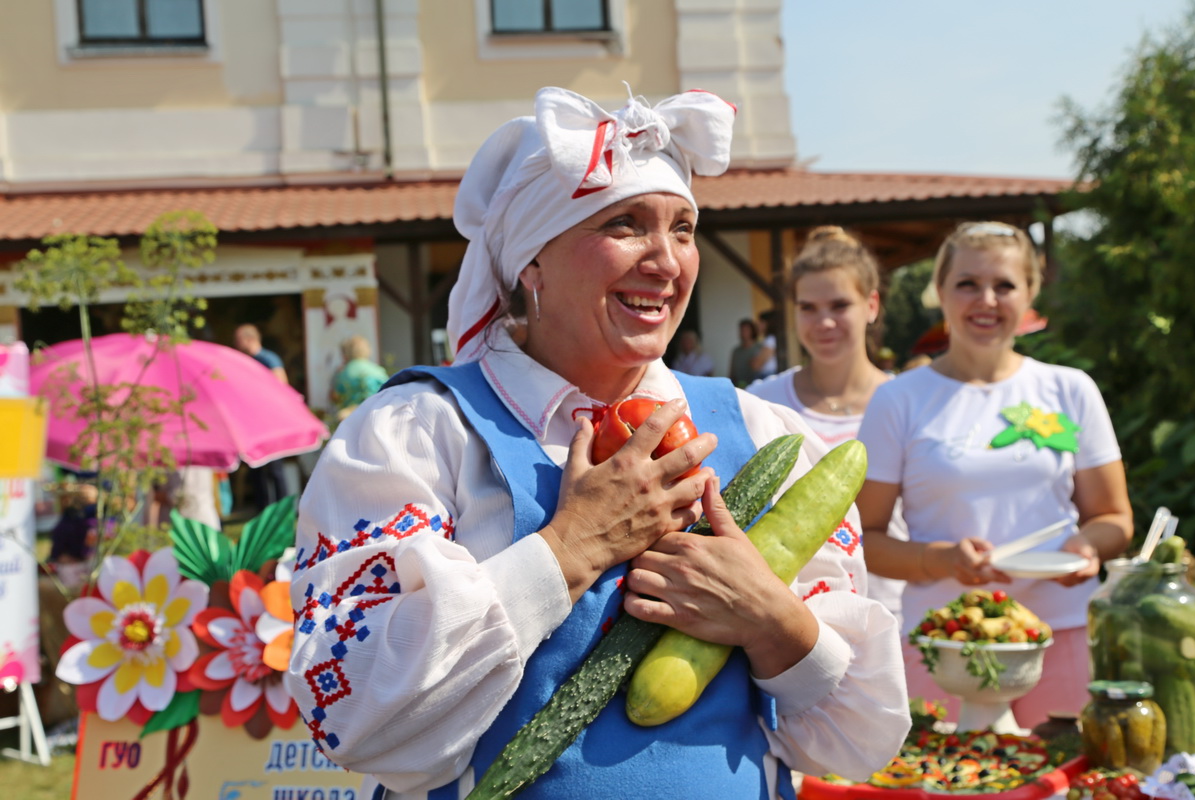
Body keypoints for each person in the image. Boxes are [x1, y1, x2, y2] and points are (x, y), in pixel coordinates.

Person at [285, 86, 909, 800]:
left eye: (682, 228)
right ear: (532, 262)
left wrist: (773, 622)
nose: (666, 261)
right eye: (625, 224)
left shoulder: (766, 436)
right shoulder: (421, 433)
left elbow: (860, 740)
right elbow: (356, 716)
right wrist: (569, 549)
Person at [855, 220, 1134, 729]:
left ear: (1030, 292)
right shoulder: (899, 399)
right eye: (967, 283)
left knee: (1060, 781)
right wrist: (941, 560)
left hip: (1059, 635)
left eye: (1004, 285)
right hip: (944, 642)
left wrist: (1089, 547)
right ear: (939, 292)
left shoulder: (1070, 390)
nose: (986, 299)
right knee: (951, 784)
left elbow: (1115, 517)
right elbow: (864, 538)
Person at [747, 226, 909, 631]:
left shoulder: (908, 401)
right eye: (808, 308)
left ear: (871, 305)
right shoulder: (759, 400)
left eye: (839, 305)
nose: (824, 322)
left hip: (894, 615)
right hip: (789, 624)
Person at [234, 323, 290, 512]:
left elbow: (281, 386)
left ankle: (283, 509)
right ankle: (263, 510)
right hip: (253, 423)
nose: (236, 344)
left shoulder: (268, 359)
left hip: (270, 422)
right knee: (256, 467)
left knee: (274, 468)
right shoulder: (245, 360)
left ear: (249, 339)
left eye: (238, 339)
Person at [329, 334, 389, 420]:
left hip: (351, 417)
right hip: (377, 413)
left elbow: (335, 396)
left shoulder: (343, 372)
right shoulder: (377, 370)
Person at [729, 317, 764, 387]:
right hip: (739, 388)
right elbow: (731, 373)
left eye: (746, 330)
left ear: (752, 331)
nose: (743, 332)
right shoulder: (736, 351)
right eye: (741, 330)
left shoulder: (760, 348)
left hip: (756, 387)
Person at [754, 308, 780, 379]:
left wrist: (752, 362)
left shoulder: (770, 340)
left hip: (768, 376)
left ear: (768, 323)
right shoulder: (771, 339)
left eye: (761, 322)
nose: (758, 324)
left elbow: (757, 365)